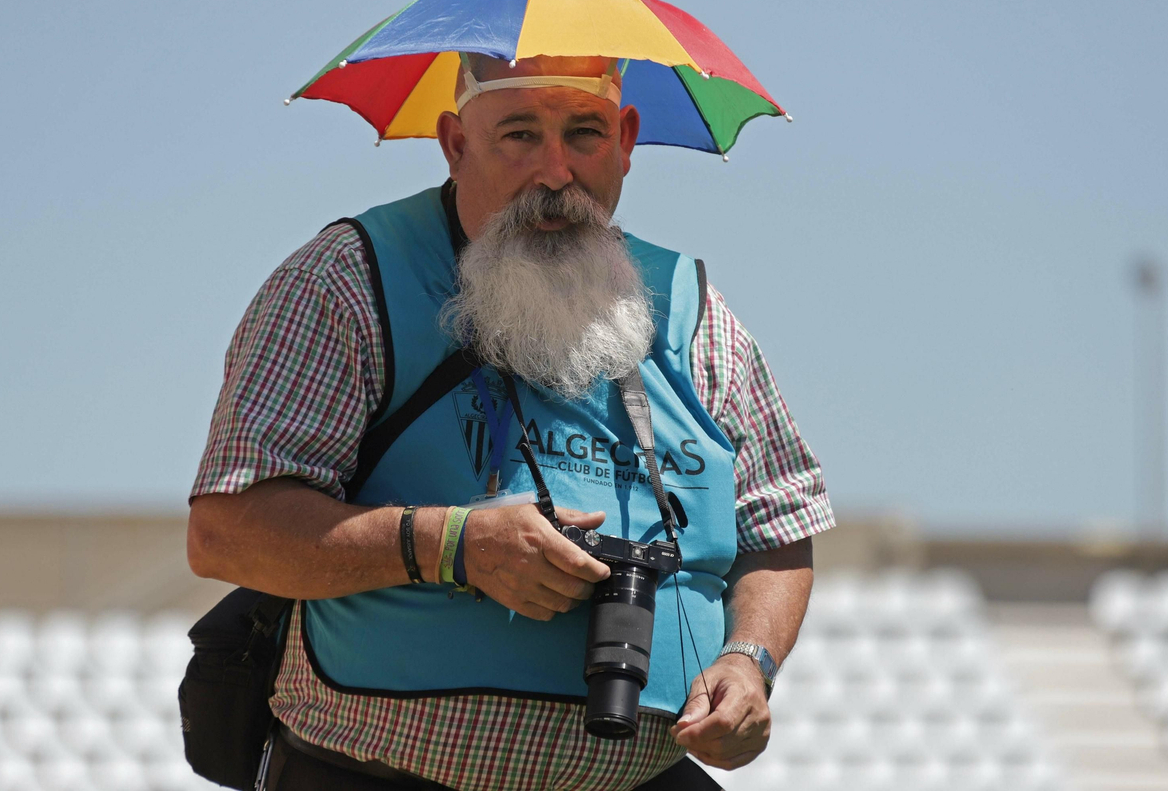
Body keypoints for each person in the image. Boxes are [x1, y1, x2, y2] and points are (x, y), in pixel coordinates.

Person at [186, 52, 835, 791]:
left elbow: (779, 528)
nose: (556, 173)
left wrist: (749, 659)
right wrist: (451, 545)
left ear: (627, 139)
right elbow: (226, 532)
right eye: (520, 134)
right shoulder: (344, 280)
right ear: (455, 144)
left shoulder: (693, 310)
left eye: (585, 133)